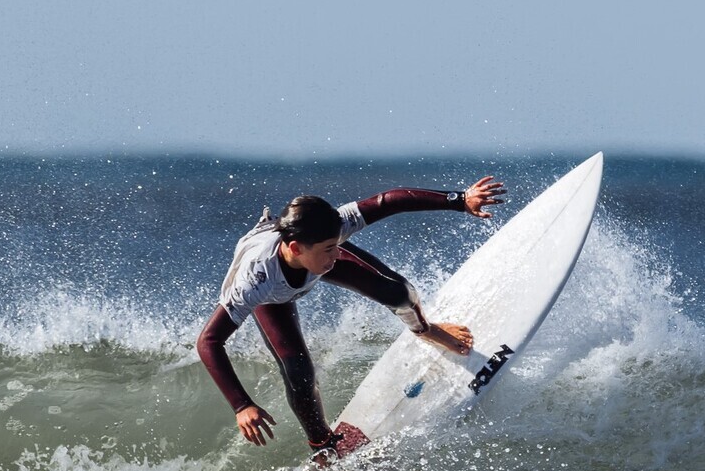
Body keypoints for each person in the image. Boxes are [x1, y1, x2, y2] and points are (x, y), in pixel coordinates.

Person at [197, 176, 507, 450]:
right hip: (275, 296)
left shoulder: (327, 237)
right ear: (295, 248)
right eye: (329, 248)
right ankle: (323, 445)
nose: (337, 254)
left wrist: (459, 200)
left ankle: (425, 331)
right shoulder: (255, 281)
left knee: (398, 293)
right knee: (299, 372)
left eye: (337, 244)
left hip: (305, 265)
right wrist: (242, 405)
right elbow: (209, 342)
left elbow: (388, 201)